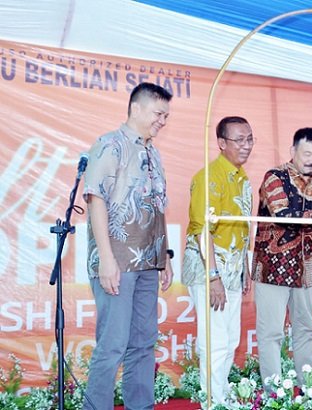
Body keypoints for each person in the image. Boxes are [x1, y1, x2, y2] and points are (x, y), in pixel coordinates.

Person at [82, 82, 174, 410]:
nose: (162, 121)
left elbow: (157, 207)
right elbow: (96, 199)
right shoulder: (110, 145)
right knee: (112, 345)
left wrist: (165, 257)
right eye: (158, 114)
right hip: (118, 261)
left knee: (144, 343)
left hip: (149, 261)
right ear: (136, 108)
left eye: (166, 116)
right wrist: (106, 259)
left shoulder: (153, 152)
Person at [182, 116, 254, 405]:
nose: (246, 145)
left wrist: (245, 267)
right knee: (215, 340)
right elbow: (202, 231)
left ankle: (222, 396)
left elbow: (242, 227)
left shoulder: (242, 178)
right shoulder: (208, 177)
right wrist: (213, 277)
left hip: (234, 270)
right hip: (209, 270)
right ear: (221, 143)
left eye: (250, 139)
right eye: (239, 140)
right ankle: (212, 401)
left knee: (231, 339)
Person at [252, 127, 312, 387]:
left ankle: (309, 389)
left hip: (305, 270)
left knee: (306, 330)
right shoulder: (274, 177)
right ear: (292, 151)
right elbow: (282, 215)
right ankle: (274, 393)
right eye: (307, 153)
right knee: (271, 333)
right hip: (272, 269)